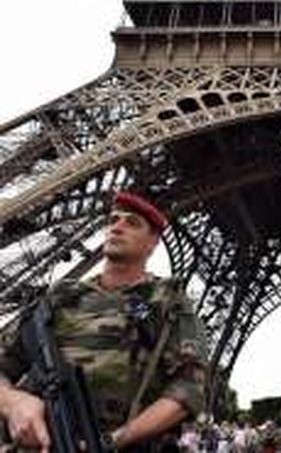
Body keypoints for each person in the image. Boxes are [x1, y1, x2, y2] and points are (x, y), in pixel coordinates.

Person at [0, 191, 208, 450]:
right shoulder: (59, 298)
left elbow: (190, 387)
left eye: (132, 222)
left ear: (153, 241)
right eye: (113, 220)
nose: (118, 227)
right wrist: (13, 403)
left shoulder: (167, 302)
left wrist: (115, 440)